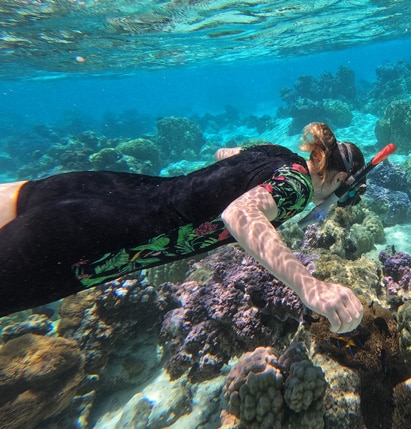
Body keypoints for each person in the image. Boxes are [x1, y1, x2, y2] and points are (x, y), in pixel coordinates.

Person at [0, 122, 365, 333]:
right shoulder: (298, 188)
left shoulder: (277, 153)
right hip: (91, 240)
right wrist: (310, 286)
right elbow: (239, 216)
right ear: (339, 178)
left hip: (94, 188)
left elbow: (224, 155)